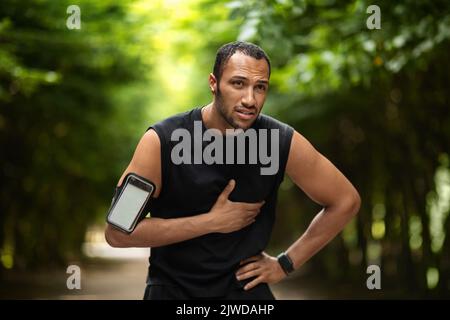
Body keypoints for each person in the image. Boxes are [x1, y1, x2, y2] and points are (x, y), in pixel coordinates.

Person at [104, 41, 361, 300]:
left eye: (260, 87)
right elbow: (118, 232)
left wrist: (285, 263)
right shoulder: (162, 141)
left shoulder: (280, 140)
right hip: (172, 292)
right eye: (238, 84)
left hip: (245, 294)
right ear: (214, 83)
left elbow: (345, 200)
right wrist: (210, 223)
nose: (250, 99)